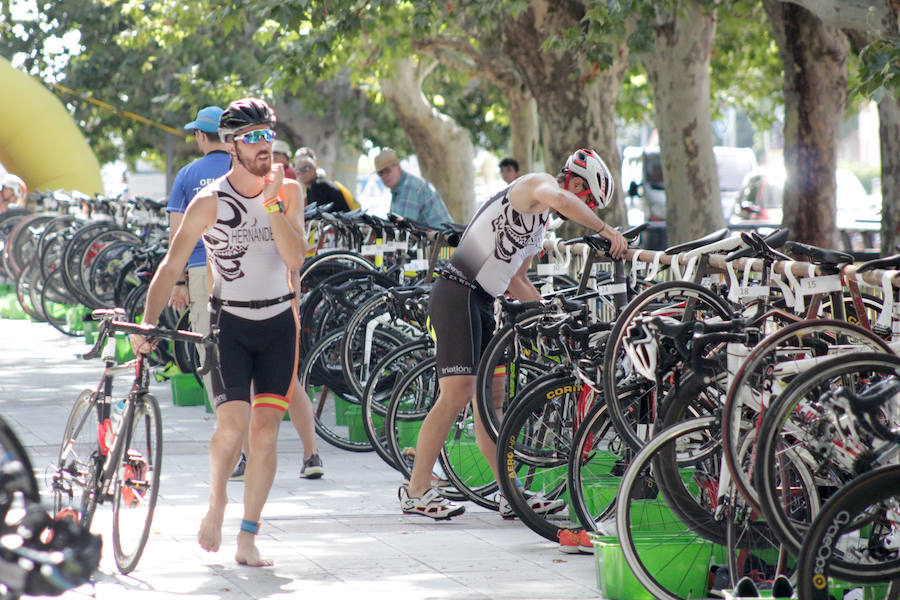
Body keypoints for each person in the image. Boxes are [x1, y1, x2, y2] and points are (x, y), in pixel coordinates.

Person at [398, 148, 626, 520]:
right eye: (586, 197)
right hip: (457, 290)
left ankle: (511, 493)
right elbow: (561, 199)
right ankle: (417, 490)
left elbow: (518, 280)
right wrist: (603, 229)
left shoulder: (539, 224)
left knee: (493, 402)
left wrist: (549, 313)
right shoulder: (536, 185)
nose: (583, 206)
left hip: (484, 301)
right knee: (455, 395)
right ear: (574, 180)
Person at [131, 97, 307, 567]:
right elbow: (171, 264)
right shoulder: (208, 202)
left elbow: (295, 259)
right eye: (252, 137)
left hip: (278, 322)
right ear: (232, 145)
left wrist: (271, 205)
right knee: (232, 429)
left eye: (267, 134)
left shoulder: (288, 191)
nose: (263, 144)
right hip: (229, 323)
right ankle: (217, 502)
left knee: (267, 430)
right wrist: (148, 324)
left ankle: (248, 536)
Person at [167, 106, 231, 407]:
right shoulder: (243, 168)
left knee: (210, 351)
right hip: (243, 271)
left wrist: (178, 281)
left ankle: (230, 432)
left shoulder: (187, 174)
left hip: (199, 270)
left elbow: (177, 235)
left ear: (200, 136)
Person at [374, 148, 452, 227]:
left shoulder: (410, 188)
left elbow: (402, 229)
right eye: (380, 173)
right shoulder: (399, 189)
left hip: (443, 238)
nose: (384, 176)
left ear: (398, 167)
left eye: (387, 170)